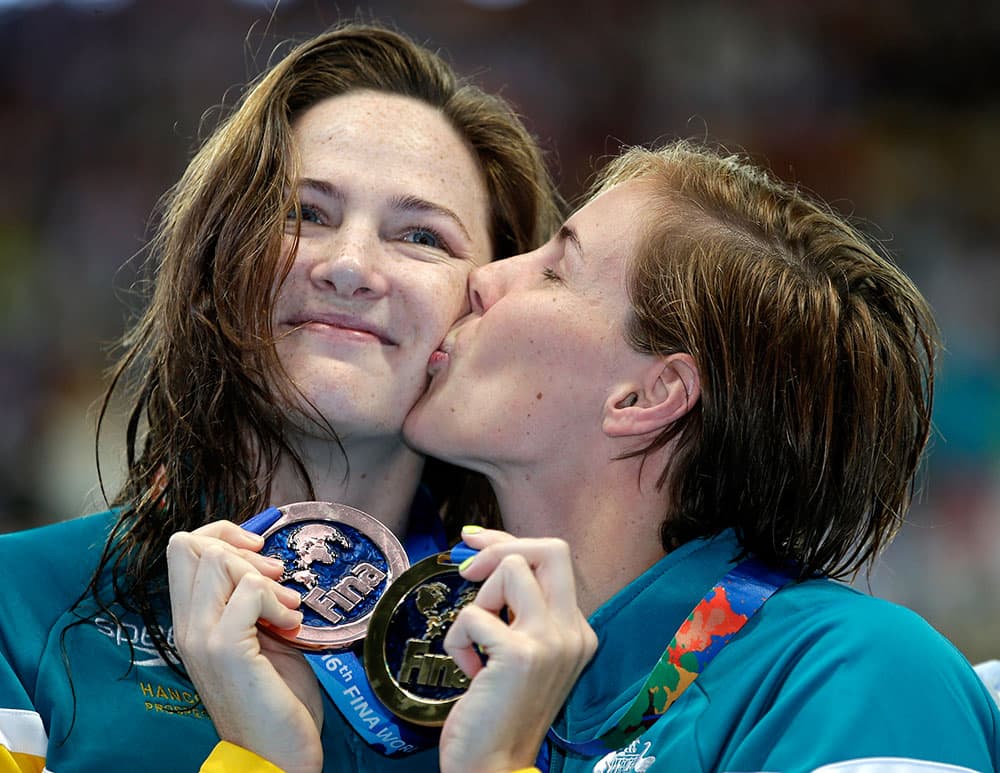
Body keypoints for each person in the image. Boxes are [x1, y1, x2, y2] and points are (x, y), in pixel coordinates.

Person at [183, 139, 1000, 773]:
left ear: (645, 398)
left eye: (555, 268)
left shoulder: (860, 676)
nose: (486, 277)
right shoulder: (452, 687)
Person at [0, 21, 562, 773]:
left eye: (422, 236)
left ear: (487, 311)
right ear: (217, 259)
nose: (351, 266)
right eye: (307, 213)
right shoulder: (17, 606)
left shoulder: (541, 658)